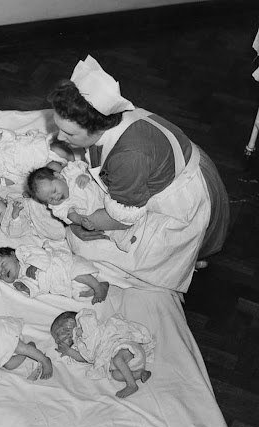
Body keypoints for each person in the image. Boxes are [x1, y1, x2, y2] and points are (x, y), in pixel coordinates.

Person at [47, 55, 229, 292]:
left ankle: (186, 257)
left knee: (80, 245)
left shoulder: (128, 157)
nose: (60, 138)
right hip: (178, 170)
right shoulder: (116, 118)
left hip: (182, 202)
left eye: (69, 133)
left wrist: (83, 222)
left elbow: (121, 220)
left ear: (96, 127)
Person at [27, 163, 140, 252]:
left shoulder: (71, 172)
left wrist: (86, 175)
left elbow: (91, 168)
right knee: (103, 227)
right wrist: (81, 220)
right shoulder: (59, 206)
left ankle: (130, 214)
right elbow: (70, 214)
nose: (56, 197)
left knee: (119, 195)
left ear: (58, 176)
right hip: (98, 211)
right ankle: (124, 238)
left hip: (106, 194)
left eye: (54, 191)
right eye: (50, 199)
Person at [50, 309, 155, 398]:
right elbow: (86, 358)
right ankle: (140, 373)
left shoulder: (86, 323)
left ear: (70, 323)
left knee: (118, 360)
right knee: (115, 375)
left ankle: (132, 385)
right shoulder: (79, 345)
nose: (58, 340)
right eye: (56, 340)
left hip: (123, 346)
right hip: (128, 363)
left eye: (58, 334)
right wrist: (69, 351)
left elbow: (94, 333)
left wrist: (78, 332)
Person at [0, 244, 108, 304]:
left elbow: (42, 254)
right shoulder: (22, 280)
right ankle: (100, 286)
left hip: (64, 266)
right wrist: (27, 288)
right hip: (62, 283)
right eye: (0, 275)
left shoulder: (24, 254)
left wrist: (35, 264)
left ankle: (97, 287)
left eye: (2, 265)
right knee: (78, 295)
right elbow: (39, 289)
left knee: (77, 273)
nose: (2, 272)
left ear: (13, 254)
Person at [0, 129, 71, 186]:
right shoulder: (1, 172)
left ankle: (72, 145)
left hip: (39, 146)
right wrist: (0, 181)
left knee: (58, 144)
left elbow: (10, 135)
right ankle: (71, 176)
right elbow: (14, 179)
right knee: (54, 171)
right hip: (42, 165)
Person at [0, 192, 66, 242]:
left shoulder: (11, 197)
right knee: (58, 230)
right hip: (38, 224)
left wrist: (28, 195)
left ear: (2, 199)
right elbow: (16, 232)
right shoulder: (5, 226)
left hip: (38, 207)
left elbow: (23, 199)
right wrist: (15, 217)